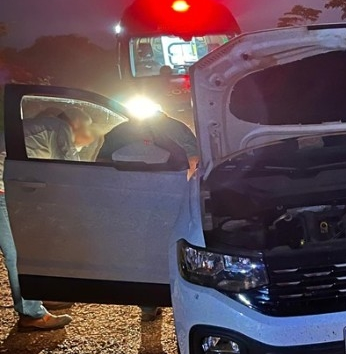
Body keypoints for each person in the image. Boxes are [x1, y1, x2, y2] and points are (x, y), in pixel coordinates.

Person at [96, 110, 199, 321]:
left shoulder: (120, 131)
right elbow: (196, 161)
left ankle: (148, 304)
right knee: (178, 247)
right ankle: (183, 304)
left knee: (141, 250)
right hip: (172, 197)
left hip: (132, 200)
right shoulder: (178, 129)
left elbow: (102, 164)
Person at [0, 107, 93, 330]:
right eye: (87, 126)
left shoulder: (37, 128)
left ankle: (38, 296)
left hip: (9, 190)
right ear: (76, 123)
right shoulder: (59, 127)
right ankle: (31, 313)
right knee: (20, 253)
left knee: (26, 247)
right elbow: (70, 167)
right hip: (2, 192)